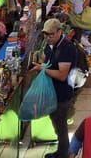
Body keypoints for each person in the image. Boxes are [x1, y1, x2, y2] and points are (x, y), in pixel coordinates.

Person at [33, 18, 79, 158]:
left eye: (50, 34)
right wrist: (41, 62)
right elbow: (46, 58)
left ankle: (63, 154)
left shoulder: (66, 49)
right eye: (45, 35)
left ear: (59, 32)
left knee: (61, 127)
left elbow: (61, 75)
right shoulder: (51, 45)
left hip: (62, 95)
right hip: (53, 94)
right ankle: (60, 152)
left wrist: (42, 69)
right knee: (57, 124)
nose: (47, 38)